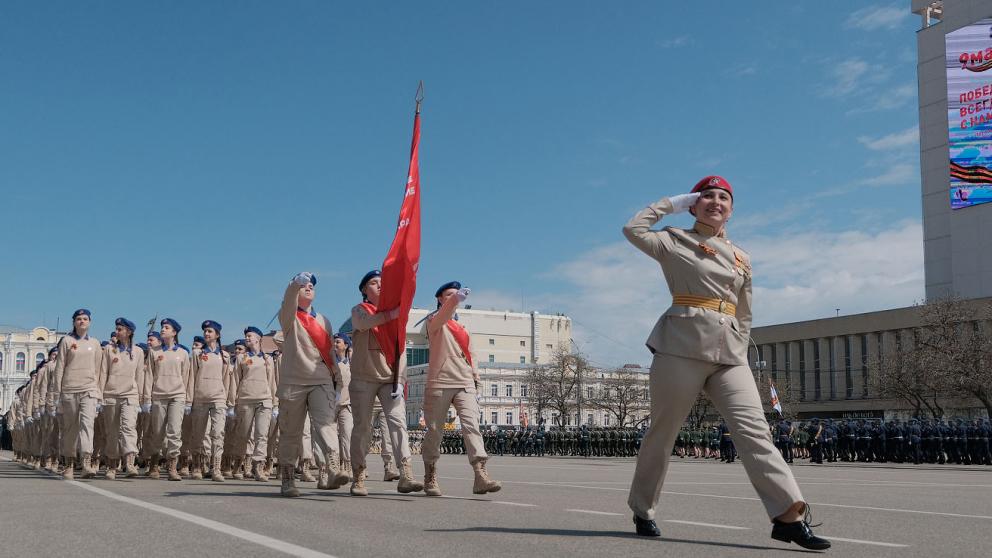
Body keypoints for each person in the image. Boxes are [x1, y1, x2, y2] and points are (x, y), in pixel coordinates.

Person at [622, 177, 829, 550]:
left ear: (731, 209)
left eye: (723, 198)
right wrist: (672, 202)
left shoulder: (741, 257)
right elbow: (633, 229)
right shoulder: (673, 239)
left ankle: (788, 516)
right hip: (681, 347)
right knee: (662, 434)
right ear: (694, 205)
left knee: (756, 433)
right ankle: (643, 508)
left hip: (729, 355)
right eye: (706, 197)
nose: (715, 202)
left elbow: (745, 312)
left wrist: (740, 349)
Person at [420, 281, 500, 496]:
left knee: (472, 427)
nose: (454, 297)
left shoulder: (463, 327)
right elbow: (443, 316)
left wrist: (476, 379)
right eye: (449, 295)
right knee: (435, 432)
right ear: (439, 299)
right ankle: (430, 475)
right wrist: (455, 301)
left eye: (456, 294)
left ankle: (480, 475)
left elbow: (472, 356)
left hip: (464, 383)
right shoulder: (433, 321)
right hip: (440, 382)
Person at [348, 270, 423, 496]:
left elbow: (401, 351)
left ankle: (406, 473)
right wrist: (392, 314)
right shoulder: (360, 310)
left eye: (383, 283)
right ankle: (359, 474)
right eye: (374, 283)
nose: (380, 286)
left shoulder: (396, 317)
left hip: (388, 379)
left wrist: (400, 380)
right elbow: (365, 323)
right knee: (362, 428)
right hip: (364, 379)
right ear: (364, 290)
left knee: (398, 423)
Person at [275, 272, 348, 497]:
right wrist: (293, 285)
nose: (308, 288)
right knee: (291, 433)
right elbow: (288, 301)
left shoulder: (324, 320)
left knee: (326, 424)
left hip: (320, 380)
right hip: (294, 382)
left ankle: (333, 468)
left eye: (311, 287)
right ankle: (287, 479)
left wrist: (337, 380)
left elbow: (329, 354)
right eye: (303, 286)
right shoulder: (289, 316)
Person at [54, 309, 105, 480]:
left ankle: (86, 463)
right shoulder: (67, 341)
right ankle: (68, 464)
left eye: (85, 319)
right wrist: (57, 395)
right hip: (69, 390)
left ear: (90, 322)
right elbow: (59, 368)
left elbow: (99, 371)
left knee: (87, 426)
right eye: (78, 319)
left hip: (89, 389)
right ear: (74, 322)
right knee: (70, 428)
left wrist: (98, 394)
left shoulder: (95, 344)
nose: (82, 321)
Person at [97, 318, 145, 479]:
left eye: (120, 329)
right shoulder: (109, 350)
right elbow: (103, 373)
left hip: (130, 395)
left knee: (129, 428)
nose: (117, 332)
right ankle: (112, 465)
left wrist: (140, 398)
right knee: (112, 431)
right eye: (116, 329)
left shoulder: (138, 352)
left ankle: (130, 463)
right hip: (111, 395)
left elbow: (139, 376)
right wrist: (100, 396)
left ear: (129, 332)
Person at [143, 318, 191, 480]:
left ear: (174, 332)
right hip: (158, 395)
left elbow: (186, 378)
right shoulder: (155, 352)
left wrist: (186, 399)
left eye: (166, 327)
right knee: (157, 432)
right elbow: (149, 376)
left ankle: (172, 467)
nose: (163, 330)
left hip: (177, 396)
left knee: (174, 432)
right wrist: (147, 399)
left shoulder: (183, 353)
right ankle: (154, 464)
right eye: (162, 327)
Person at [230, 326, 277, 481]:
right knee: (243, 434)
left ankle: (258, 467)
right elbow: (235, 381)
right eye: (246, 336)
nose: (247, 338)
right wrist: (232, 402)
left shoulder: (268, 359)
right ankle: (238, 463)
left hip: (264, 400)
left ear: (258, 338)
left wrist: (274, 402)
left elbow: (272, 382)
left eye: (250, 336)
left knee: (261, 435)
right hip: (246, 400)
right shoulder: (241, 358)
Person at [189, 320, 231, 482]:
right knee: (199, 434)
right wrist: (189, 399)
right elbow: (191, 376)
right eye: (205, 331)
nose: (207, 334)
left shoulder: (224, 355)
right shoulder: (197, 354)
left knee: (218, 433)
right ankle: (198, 466)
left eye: (210, 331)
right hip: (200, 397)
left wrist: (227, 399)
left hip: (219, 398)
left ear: (217, 335)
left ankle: (216, 468)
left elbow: (226, 379)